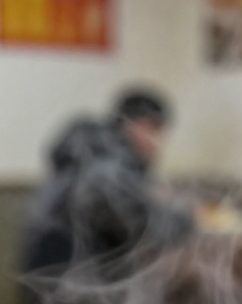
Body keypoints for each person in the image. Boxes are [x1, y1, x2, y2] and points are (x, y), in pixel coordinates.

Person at [21, 87, 180, 278]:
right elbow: (143, 225)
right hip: (69, 278)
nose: (157, 142)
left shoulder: (93, 152)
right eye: (152, 128)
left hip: (53, 270)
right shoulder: (104, 164)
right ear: (130, 124)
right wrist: (182, 215)